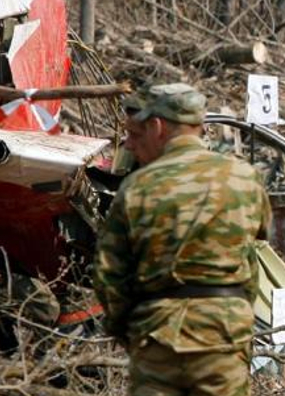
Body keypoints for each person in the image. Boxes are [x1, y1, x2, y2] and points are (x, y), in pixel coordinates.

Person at [94, 83, 271, 396]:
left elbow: (110, 277)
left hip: (158, 335)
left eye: (138, 134)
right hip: (224, 335)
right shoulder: (244, 177)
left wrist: (131, 333)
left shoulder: (137, 186)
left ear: (157, 126)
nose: (132, 145)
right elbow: (252, 254)